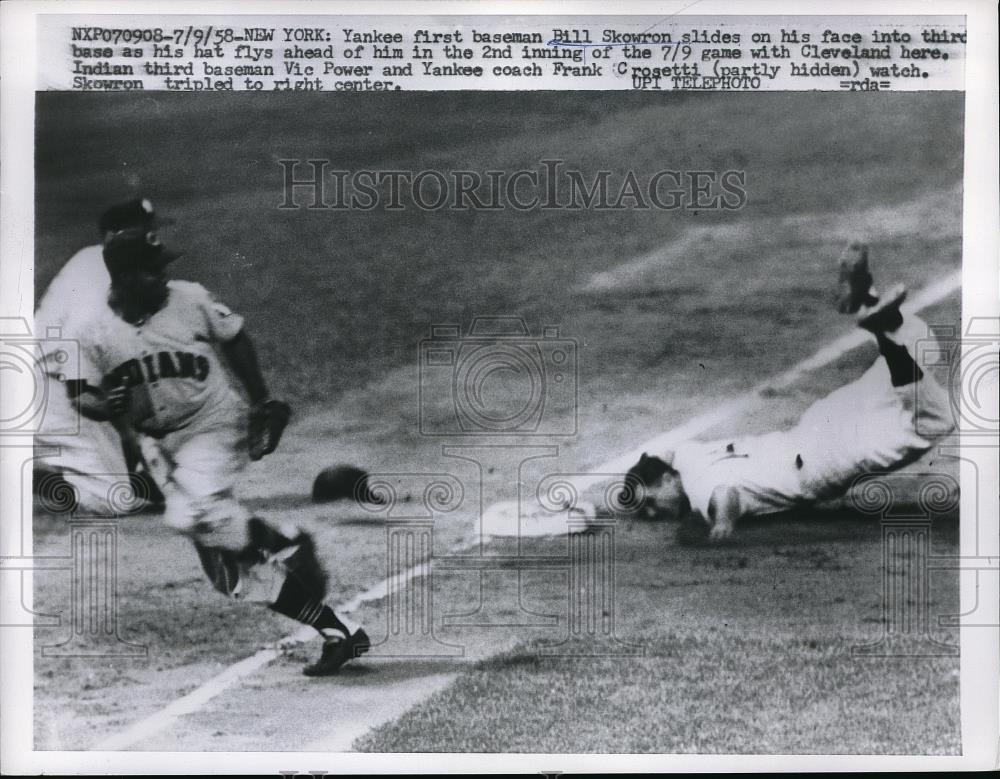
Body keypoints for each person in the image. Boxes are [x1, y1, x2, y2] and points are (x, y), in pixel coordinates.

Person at [64, 226, 369, 676]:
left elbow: (235, 337)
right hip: (158, 445)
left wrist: (262, 400)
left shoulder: (190, 299)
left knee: (192, 515)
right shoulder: (88, 327)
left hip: (214, 423)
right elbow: (78, 394)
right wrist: (100, 406)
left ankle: (283, 540)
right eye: (152, 271)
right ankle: (339, 630)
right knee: (233, 580)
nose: (164, 277)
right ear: (125, 277)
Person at [625, 243, 955, 543]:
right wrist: (643, 474)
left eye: (650, 502)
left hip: (825, 458)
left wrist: (722, 523)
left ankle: (878, 326)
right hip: (819, 427)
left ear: (669, 480)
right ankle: (869, 300)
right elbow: (659, 455)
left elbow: (725, 495)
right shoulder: (685, 454)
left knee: (931, 422)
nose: (652, 515)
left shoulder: (697, 490)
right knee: (922, 350)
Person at [35, 198, 166, 513]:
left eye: (148, 230)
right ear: (111, 237)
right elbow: (82, 376)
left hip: (59, 382)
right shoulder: (100, 288)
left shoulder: (102, 262)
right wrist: (133, 435)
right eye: (137, 231)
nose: (148, 237)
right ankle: (36, 475)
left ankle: (70, 465)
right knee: (112, 502)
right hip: (48, 389)